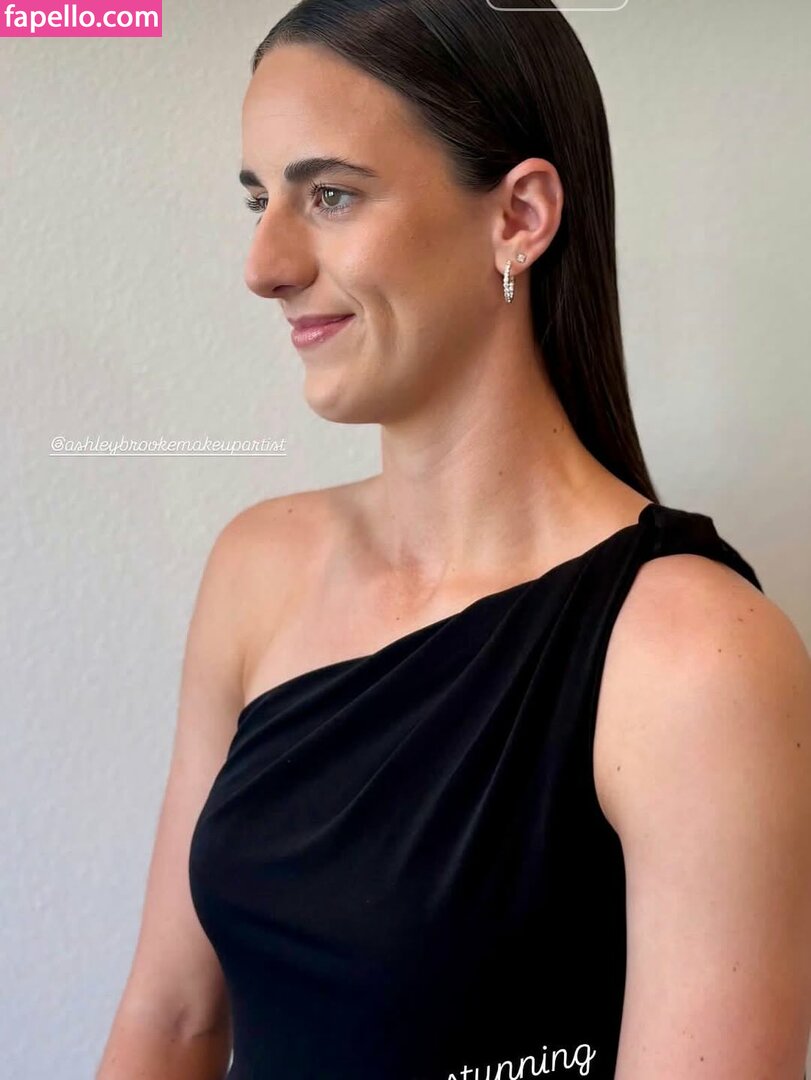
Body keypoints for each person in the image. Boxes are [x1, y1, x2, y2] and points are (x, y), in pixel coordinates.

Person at [96, 2, 811, 1078]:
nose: (263, 264)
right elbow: (172, 1020)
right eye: (258, 199)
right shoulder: (258, 569)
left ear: (518, 216)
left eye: (329, 195)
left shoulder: (693, 655)